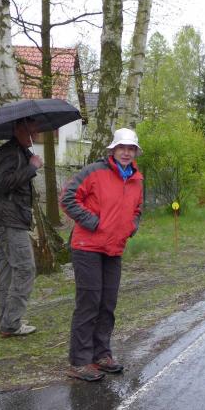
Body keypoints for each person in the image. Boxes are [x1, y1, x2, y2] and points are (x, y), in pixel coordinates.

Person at [60, 128, 144, 382]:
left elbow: (138, 208)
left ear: (135, 152)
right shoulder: (94, 172)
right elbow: (68, 197)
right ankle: (80, 361)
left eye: (131, 149)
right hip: (87, 246)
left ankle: (101, 354)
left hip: (114, 248)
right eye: (122, 148)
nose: (126, 153)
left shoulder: (137, 179)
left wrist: (131, 226)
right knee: (89, 303)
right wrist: (92, 222)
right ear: (113, 150)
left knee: (107, 303)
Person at [0, 117, 43, 337]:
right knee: (25, 269)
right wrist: (32, 168)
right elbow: (4, 184)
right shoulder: (9, 153)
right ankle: (11, 323)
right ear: (21, 129)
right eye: (33, 130)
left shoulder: (19, 152)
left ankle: (7, 319)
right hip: (9, 221)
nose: (37, 134)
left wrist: (30, 162)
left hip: (7, 219)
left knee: (6, 270)